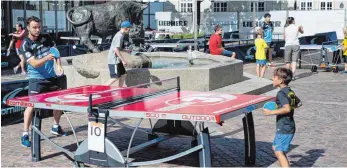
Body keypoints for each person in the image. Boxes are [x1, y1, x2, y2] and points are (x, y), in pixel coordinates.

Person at [19, 16, 66, 147]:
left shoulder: (47, 37)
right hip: (36, 80)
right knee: (30, 106)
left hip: (51, 78)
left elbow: (55, 52)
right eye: (34, 27)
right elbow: (34, 63)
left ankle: (56, 126)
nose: (38, 30)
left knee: (58, 103)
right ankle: (25, 134)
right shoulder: (25, 44)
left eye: (39, 27)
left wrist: (58, 65)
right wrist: (46, 58)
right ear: (28, 27)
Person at [263, 67, 299, 167]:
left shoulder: (281, 93)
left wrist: (271, 112)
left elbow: (287, 109)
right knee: (275, 147)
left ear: (280, 80)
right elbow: (298, 103)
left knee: (279, 151)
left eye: (274, 77)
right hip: (288, 125)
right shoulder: (290, 91)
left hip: (285, 127)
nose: (272, 79)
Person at [106, 21, 131, 86]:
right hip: (113, 60)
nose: (129, 30)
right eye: (129, 29)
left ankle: (120, 89)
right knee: (115, 77)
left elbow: (117, 47)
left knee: (123, 75)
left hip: (117, 60)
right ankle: (101, 89)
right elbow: (116, 49)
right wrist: (123, 60)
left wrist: (125, 50)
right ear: (126, 28)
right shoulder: (119, 36)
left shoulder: (121, 35)